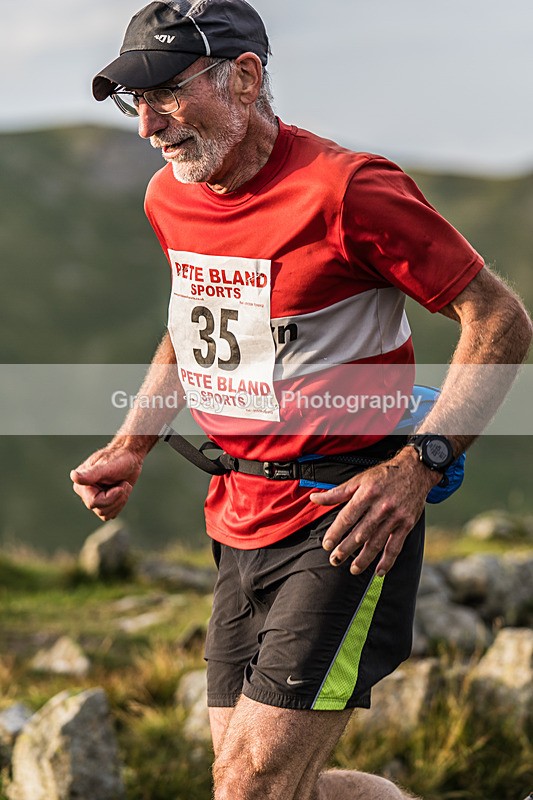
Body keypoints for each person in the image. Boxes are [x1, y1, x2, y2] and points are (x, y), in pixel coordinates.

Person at [71, 2, 532, 798]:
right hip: (236, 512)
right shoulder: (168, 198)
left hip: (347, 516)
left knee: (251, 783)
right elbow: (191, 321)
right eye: (132, 102)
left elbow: (499, 320)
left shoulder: (348, 190)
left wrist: (417, 467)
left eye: (165, 95)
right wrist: (133, 443)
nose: (147, 126)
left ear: (244, 78)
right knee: (279, 785)